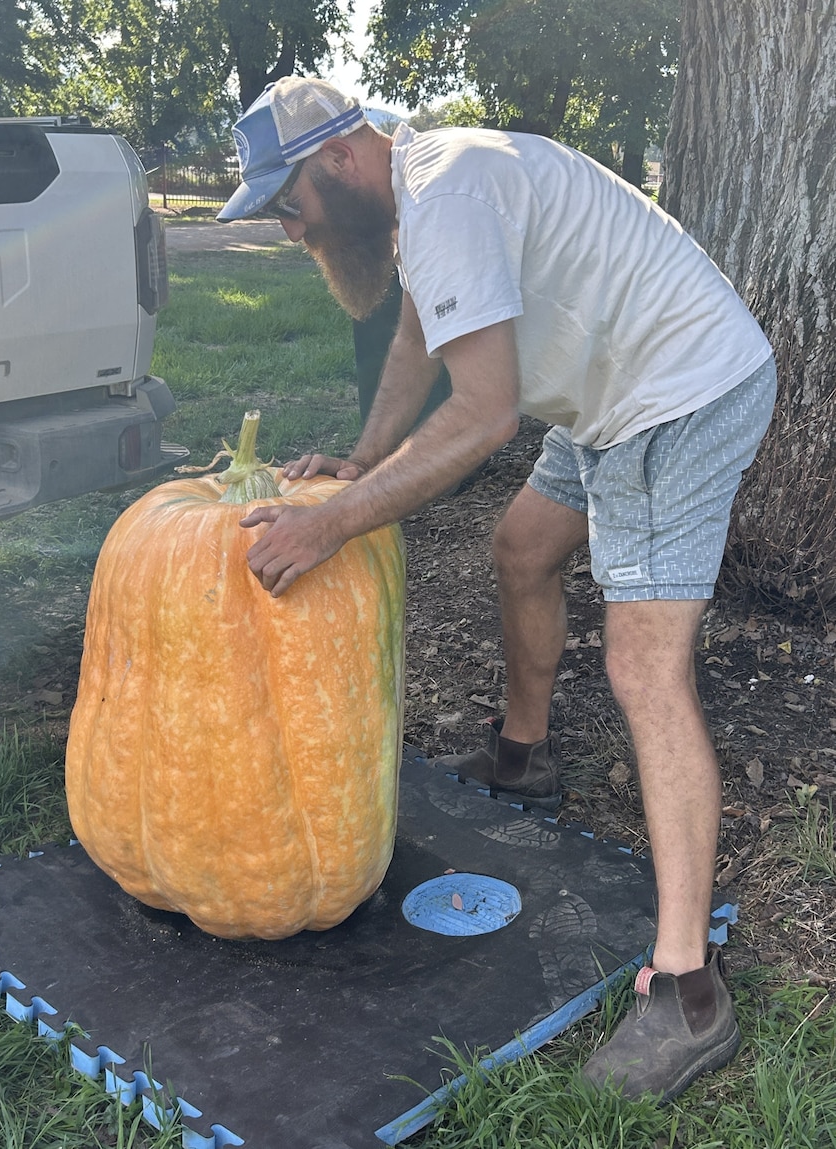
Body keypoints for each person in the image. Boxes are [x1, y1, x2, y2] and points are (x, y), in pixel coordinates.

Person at [218, 75, 776, 1102]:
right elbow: (416, 340)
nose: (289, 229)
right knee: (522, 548)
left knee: (643, 668)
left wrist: (331, 522)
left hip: (676, 391)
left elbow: (481, 416)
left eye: (284, 203)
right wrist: (359, 459)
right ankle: (522, 760)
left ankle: (690, 990)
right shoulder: (426, 198)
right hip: (605, 388)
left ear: (339, 158)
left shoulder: (453, 190)